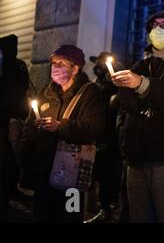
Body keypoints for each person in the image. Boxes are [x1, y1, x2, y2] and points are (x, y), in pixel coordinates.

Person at [111, 10, 164, 223]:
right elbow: (128, 104)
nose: (159, 28)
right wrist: (130, 89)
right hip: (137, 157)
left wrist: (142, 85)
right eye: (154, 25)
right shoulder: (140, 65)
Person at [19, 45, 105, 222]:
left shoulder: (90, 93)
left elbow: (93, 129)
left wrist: (60, 126)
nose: (55, 67)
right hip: (43, 170)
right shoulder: (46, 91)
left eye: (61, 63)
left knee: (68, 217)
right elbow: (28, 127)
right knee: (42, 216)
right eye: (53, 63)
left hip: (71, 173)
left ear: (75, 68)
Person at [84, 52, 124, 223]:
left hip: (111, 138)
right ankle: (103, 207)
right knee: (100, 174)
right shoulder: (97, 84)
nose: (98, 66)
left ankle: (110, 209)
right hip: (99, 136)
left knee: (110, 176)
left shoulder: (115, 85)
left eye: (101, 62)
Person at [0, 34, 29, 222]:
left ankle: (10, 193)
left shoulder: (17, 66)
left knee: (10, 159)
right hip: (9, 119)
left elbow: (20, 92)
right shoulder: (13, 66)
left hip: (10, 120)